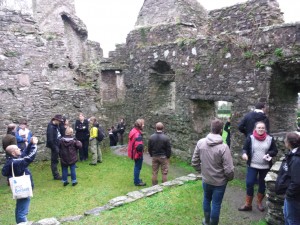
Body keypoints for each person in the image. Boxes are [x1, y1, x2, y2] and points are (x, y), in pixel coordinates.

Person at [192, 119, 234, 225]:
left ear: (211, 128)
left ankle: (206, 221)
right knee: (216, 203)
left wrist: (202, 171)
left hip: (206, 180)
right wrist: (229, 178)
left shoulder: (201, 142)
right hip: (219, 182)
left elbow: (194, 162)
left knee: (206, 199)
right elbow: (229, 170)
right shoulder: (224, 147)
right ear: (221, 130)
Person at [238, 121, 278, 212]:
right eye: (259, 128)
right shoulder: (250, 138)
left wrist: (269, 154)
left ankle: (259, 202)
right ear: (255, 128)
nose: (261, 129)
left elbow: (275, 151)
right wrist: (244, 154)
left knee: (262, 185)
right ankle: (248, 204)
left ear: (265, 129)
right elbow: (244, 149)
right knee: (249, 183)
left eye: (262, 128)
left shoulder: (270, 138)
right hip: (252, 165)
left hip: (265, 166)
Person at [1, 137, 38, 224]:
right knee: (22, 212)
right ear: (13, 153)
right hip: (23, 187)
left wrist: (30, 143)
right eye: (17, 148)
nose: (20, 149)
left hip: (19, 188)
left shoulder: (12, 160)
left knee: (19, 209)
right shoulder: (17, 162)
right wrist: (35, 145)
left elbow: (24, 153)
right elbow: (30, 157)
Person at [276, 132, 300, 224]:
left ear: (289, 143)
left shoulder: (297, 159)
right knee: (287, 216)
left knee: (292, 220)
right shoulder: (293, 154)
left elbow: (297, 181)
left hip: (294, 197)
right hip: (290, 195)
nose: (284, 140)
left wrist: (289, 194)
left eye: (285, 139)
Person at [128, 118, 146, 186]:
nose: (144, 125)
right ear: (140, 125)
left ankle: (137, 179)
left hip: (133, 152)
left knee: (137, 166)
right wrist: (140, 154)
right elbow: (139, 147)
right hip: (137, 154)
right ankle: (137, 182)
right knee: (138, 167)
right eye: (143, 124)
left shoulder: (133, 130)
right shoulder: (137, 134)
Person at [46, 114, 64, 180]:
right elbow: (50, 140)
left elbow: (59, 134)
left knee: (63, 158)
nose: (60, 122)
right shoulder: (50, 127)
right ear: (55, 120)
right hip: (55, 146)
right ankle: (56, 175)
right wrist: (55, 148)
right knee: (54, 161)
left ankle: (64, 172)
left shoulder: (56, 125)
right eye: (59, 121)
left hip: (59, 144)